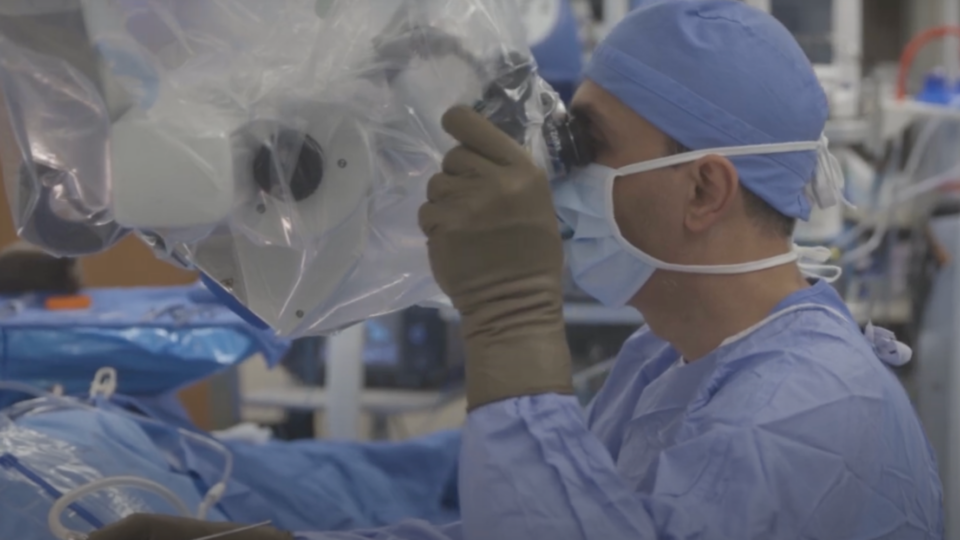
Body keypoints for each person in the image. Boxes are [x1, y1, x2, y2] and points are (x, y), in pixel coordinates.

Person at [90, 1, 943, 539]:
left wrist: (510, 316)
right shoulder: (668, 362)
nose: (556, 171)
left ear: (704, 189)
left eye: (589, 143)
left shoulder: (810, 410)